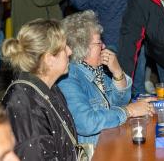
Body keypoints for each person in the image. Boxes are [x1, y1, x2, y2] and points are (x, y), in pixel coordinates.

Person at [58, 10, 155, 145]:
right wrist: (129, 111)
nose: (104, 46)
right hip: (93, 153)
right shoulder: (68, 78)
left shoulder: (96, 71)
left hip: (110, 143)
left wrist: (117, 73)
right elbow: (86, 123)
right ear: (82, 47)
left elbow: (119, 104)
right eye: (99, 43)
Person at [1, 19, 76, 160]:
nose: (70, 51)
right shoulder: (27, 108)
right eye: (64, 47)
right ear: (49, 59)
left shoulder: (48, 88)